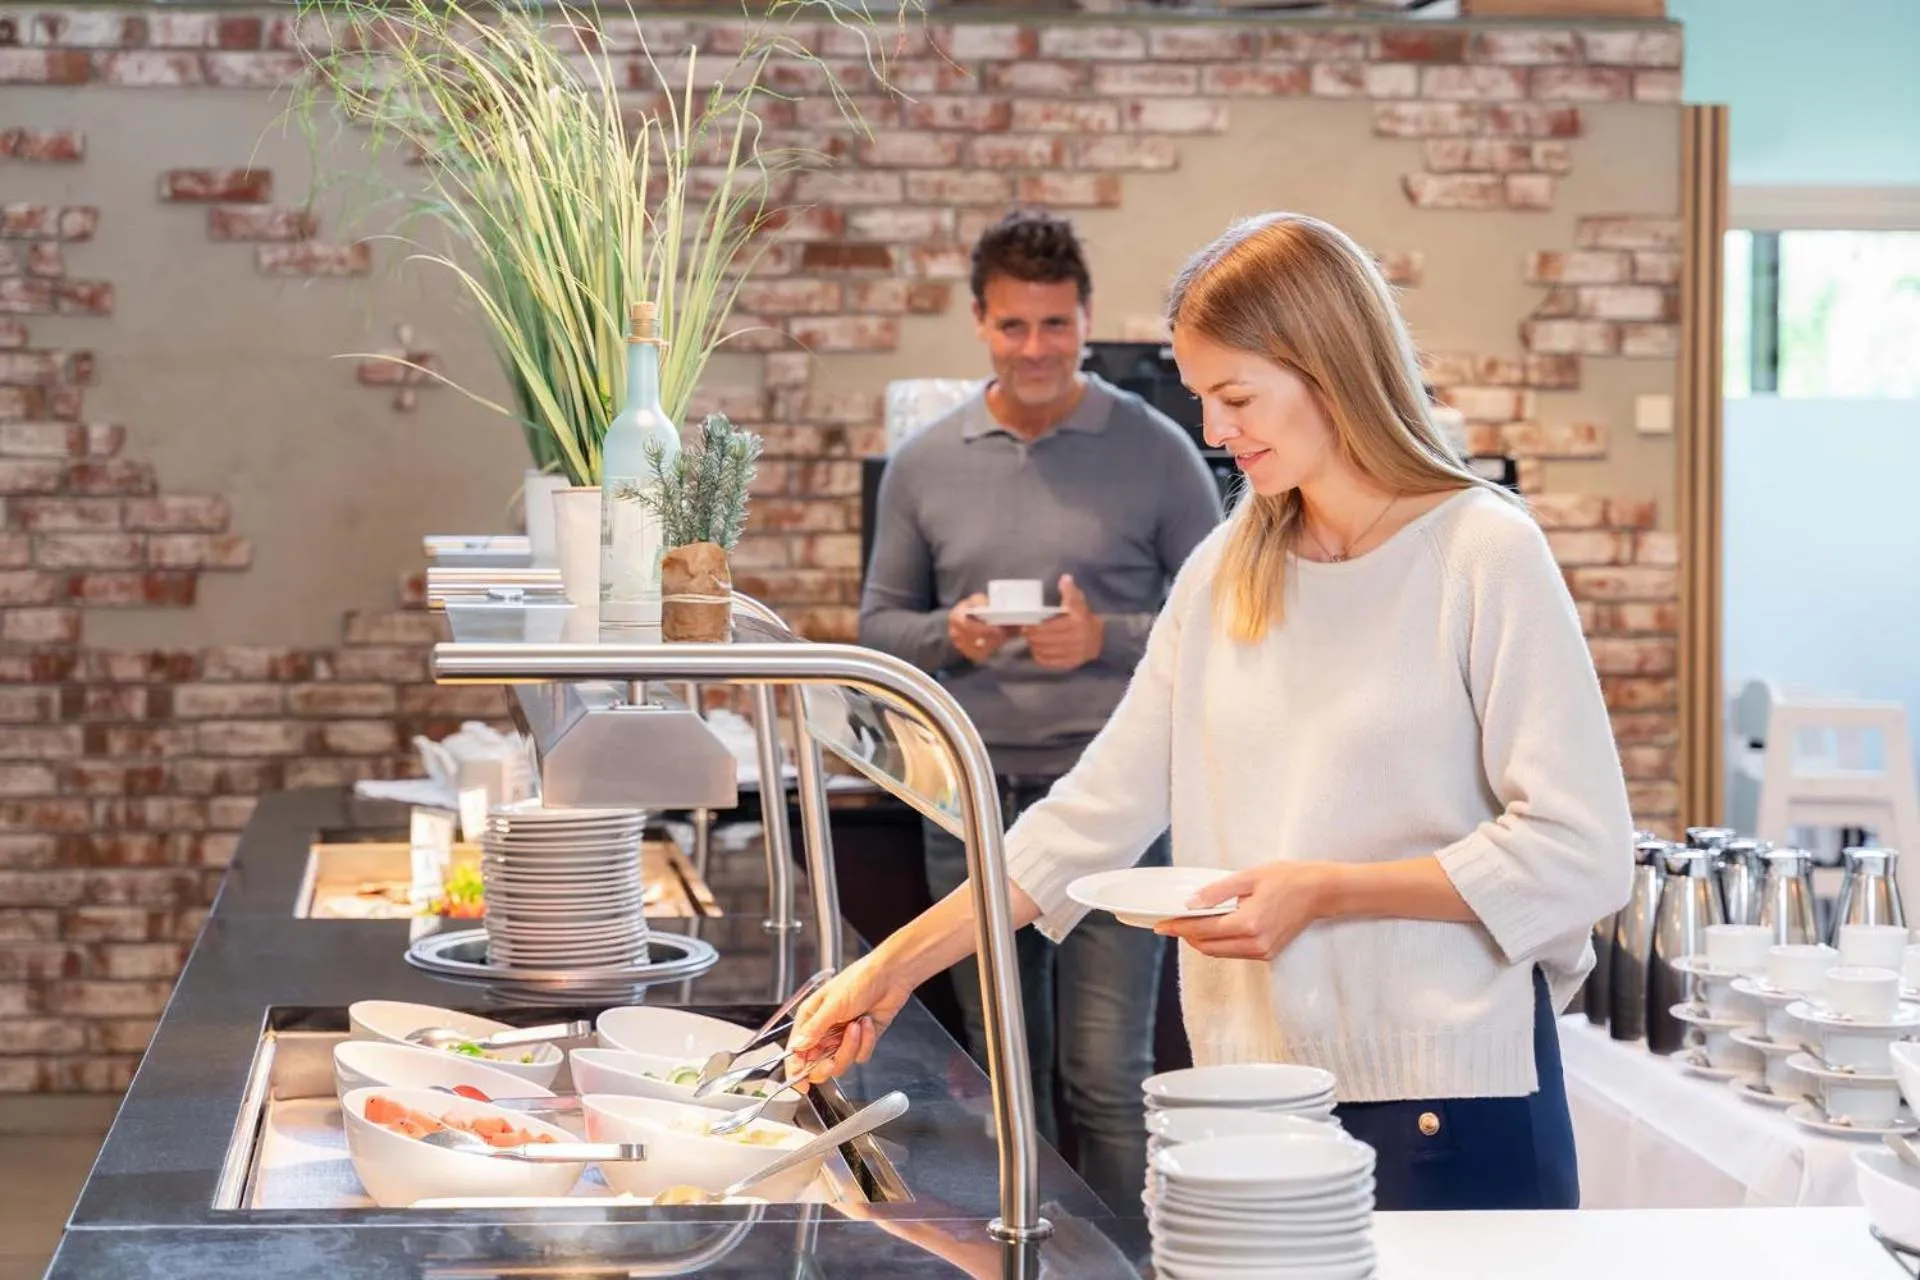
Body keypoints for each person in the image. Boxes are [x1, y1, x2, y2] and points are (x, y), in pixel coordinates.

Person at [797, 211, 1634, 1213]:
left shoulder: (1482, 552)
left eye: (1235, 396)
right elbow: (1090, 814)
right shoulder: (1230, 567)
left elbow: (1582, 850)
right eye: (1202, 399)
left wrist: (1322, 890)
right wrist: (885, 970)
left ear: (1326, 365)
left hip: (1447, 1099)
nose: (1213, 433)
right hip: (1249, 1096)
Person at [857, 208, 1223, 1212]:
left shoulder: (1156, 450)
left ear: (1086, 321)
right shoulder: (928, 462)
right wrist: (951, 636)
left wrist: (1105, 634)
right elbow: (876, 626)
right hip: (965, 805)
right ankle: (1025, 1253)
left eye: (1055, 326)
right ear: (980, 322)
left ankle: (1120, 1262)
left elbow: (1232, 619)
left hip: (1112, 811)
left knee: (1105, 1079)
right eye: (1014, 326)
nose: (1035, 349)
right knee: (1000, 1077)